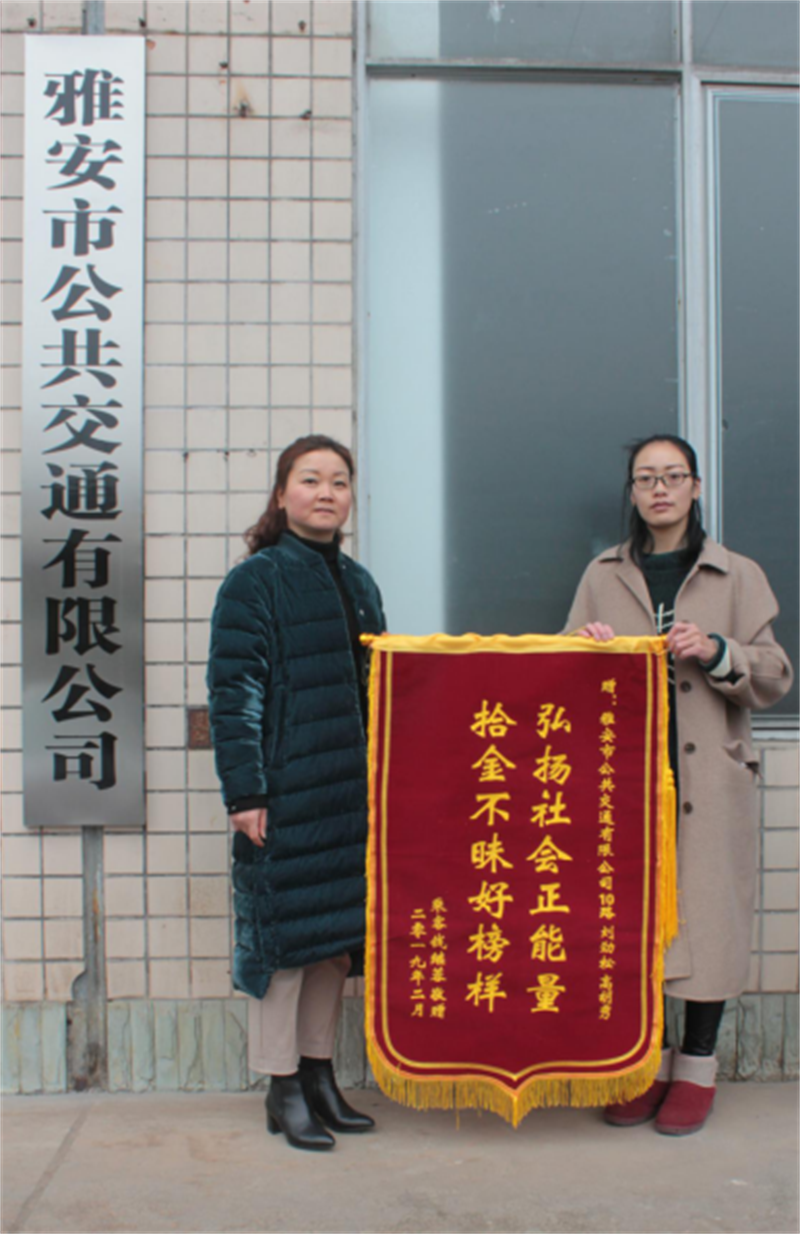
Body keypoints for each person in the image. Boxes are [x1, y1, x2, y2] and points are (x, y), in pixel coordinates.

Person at [565, 434, 792, 1136]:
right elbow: (559, 669)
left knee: (709, 921)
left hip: (710, 776)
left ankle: (696, 1066)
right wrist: (585, 654)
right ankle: (648, 1065)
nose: (659, 489)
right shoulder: (604, 573)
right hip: (628, 780)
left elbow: (775, 674)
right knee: (634, 922)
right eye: (646, 478)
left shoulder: (736, 573)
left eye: (673, 476)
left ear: (696, 486)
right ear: (632, 492)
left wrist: (718, 651)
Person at [207, 435, 386, 1151]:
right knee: (282, 945)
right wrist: (245, 793)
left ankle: (319, 1076)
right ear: (282, 495)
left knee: (332, 945)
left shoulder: (361, 584)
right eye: (310, 480)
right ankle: (281, 1088)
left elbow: (382, 693)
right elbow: (233, 693)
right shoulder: (254, 582)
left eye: (339, 481)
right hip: (284, 794)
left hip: (348, 798)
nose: (326, 493)